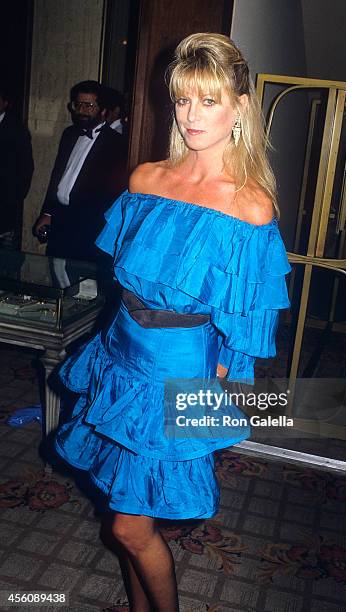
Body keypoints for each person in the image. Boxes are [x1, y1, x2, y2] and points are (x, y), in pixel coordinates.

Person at [54, 33, 291, 612]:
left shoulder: (249, 205)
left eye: (208, 101)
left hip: (176, 373)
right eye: (183, 100)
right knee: (120, 510)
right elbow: (125, 280)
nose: (191, 116)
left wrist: (209, 396)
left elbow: (243, 324)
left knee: (131, 528)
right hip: (119, 355)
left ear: (239, 107)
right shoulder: (146, 179)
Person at [33, 80, 126, 262]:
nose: (82, 110)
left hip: (88, 227)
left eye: (89, 105)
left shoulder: (116, 143)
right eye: (78, 105)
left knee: (83, 283)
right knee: (55, 275)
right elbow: (57, 177)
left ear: (103, 110)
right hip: (60, 221)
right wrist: (48, 213)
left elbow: (112, 193)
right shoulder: (69, 134)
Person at [0, 85, 34, 249]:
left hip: (5, 204)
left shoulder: (16, 130)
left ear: (5, 103)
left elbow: (26, 168)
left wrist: (13, 198)